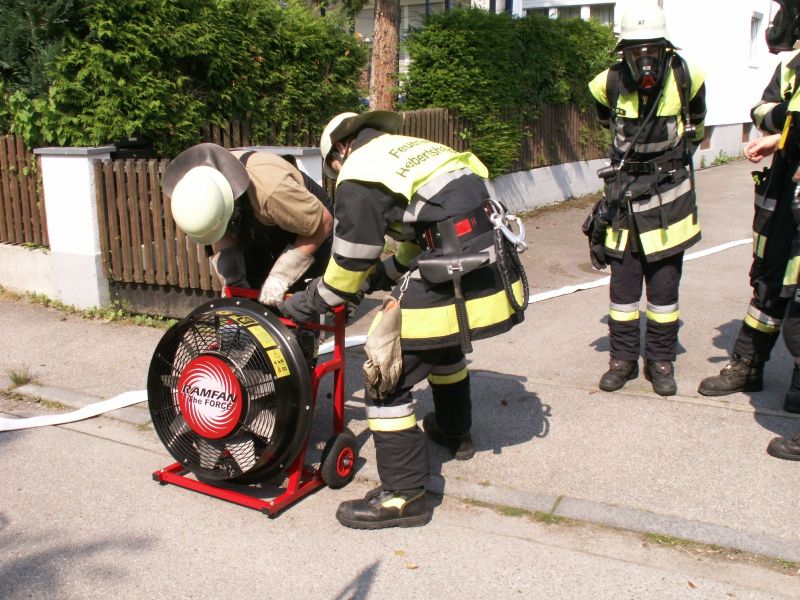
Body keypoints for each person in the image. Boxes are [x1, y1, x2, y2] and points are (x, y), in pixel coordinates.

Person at [280, 110, 528, 529]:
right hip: (491, 267)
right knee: (437, 343)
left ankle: (404, 495)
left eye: (332, 168)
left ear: (340, 151)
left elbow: (345, 268)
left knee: (385, 371)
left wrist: (301, 303)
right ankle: (455, 431)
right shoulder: (416, 150)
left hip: (457, 269)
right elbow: (427, 233)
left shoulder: (358, 172)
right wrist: (380, 276)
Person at [584, 5, 706, 396]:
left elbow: (697, 129)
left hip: (671, 195)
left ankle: (660, 360)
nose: (645, 60)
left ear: (666, 49)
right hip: (623, 199)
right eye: (637, 51)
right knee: (622, 289)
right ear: (624, 53)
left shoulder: (689, 77)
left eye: (652, 49)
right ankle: (621, 360)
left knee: (664, 290)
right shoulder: (607, 83)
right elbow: (607, 124)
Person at [698, 0, 800, 416]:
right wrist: (777, 134)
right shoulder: (791, 67)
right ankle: (748, 363)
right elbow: (763, 110)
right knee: (768, 277)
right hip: (784, 181)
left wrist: (782, 124)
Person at [161, 143, 334, 306]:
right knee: (249, 295)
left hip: (310, 223)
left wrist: (280, 277)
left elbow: (323, 223)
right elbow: (223, 233)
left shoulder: (271, 191)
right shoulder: (198, 191)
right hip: (264, 224)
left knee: (292, 306)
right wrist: (234, 282)